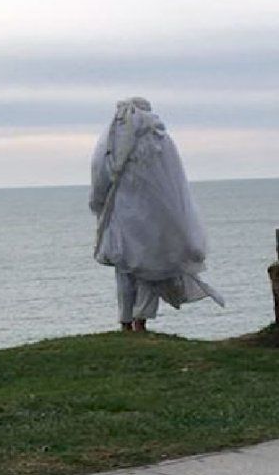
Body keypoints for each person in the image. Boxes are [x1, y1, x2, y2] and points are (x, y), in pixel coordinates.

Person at [89, 97, 224, 331]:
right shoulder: (160, 140)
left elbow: (100, 177)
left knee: (125, 268)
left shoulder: (110, 142)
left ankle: (125, 320)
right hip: (153, 214)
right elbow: (174, 184)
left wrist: (100, 205)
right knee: (149, 269)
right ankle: (140, 319)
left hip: (122, 213)